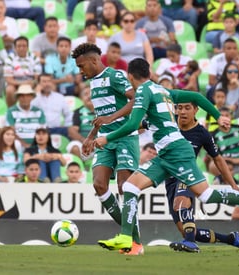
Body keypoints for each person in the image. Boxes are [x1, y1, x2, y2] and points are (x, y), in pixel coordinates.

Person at [95, 58, 239, 252]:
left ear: (130, 76)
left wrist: (106, 139)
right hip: (165, 154)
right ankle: (126, 238)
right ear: (149, 73)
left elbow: (133, 125)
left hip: (177, 151)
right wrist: (218, 116)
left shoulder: (143, 90)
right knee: (131, 187)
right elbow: (196, 97)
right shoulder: (163, 91)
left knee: (206, 195)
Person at [71, 43, 143, 255]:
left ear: (94, 61)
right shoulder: (94, 82)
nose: (80, 71)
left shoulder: (116, 76)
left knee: (124, 186)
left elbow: (136, 99)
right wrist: (90, 137)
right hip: (103, 140)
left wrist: (111, 119)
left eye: (81, 66)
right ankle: (132, 238)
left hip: (124, 138)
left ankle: (131, 242)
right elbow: (102, 114)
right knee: (99, 184)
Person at [166, 101, 239, 252]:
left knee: (180, 202)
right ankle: (231, 238)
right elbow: (142, 123)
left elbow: (218, 159)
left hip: (188, 175)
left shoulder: (202, 133)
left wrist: (233, 184)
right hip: (169, 180)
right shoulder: (168, 124)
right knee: (188, 231)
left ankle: (189, 244)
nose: (182, 112)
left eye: (187, 108)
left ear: (196, 110)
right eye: (179, 108)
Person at [210, 107, 239, 175]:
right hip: (225, 162)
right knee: (212, 165)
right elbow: (213, 155)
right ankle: (222, 181)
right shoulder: (213, 135)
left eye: (227, 115)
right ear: (217, 119)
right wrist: (232, 160)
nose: (225, 118)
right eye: (222, 116)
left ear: (231, 117)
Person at [31, 74, 73, 140]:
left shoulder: (59, 97)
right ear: (39, 83)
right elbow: (30, 113)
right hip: (39, 130)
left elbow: (68, 115)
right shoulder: (34, 98)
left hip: (57, 129)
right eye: (44, 81)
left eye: (49, 81)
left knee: (70, 131)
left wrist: (66, 125)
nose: (47, 84)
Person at [4, 36, 41, 107]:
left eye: (24, 46)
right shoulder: (9, 58)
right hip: (15, 83)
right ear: (14, 48)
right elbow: (9, 80)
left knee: (39, 88)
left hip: (31, 82)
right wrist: (23, 83)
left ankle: (35, 111)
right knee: (9, 90)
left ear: (28, 47)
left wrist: (31, 83)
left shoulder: (34, 58)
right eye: (19, 46)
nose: (21, 48)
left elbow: (37, 78)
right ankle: (11, 111)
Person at [67, 86, 96, 161]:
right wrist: (85, 141)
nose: (89, 96)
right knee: (75, 148)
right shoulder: (78, 111)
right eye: (86, 94)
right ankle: (80, 170)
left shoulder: (103, 110)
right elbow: (73, 131)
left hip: (100, 143)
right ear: (81, 99)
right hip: (84, 143)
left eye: (91, 93)